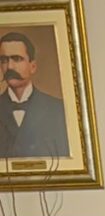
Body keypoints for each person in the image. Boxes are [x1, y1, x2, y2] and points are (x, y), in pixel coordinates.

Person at [0, 29, 68, 158]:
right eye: (4, 60)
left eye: (17, 59)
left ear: (33, 66)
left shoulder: (58, 110)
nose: (9, 67)